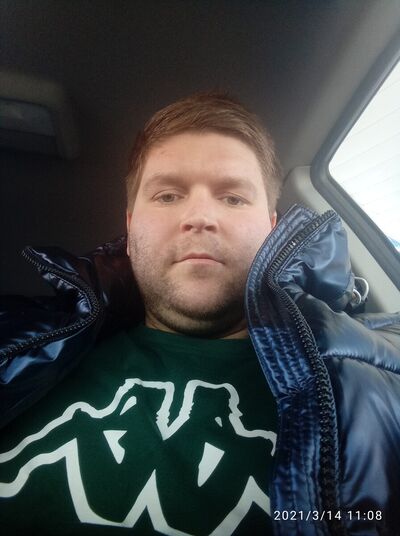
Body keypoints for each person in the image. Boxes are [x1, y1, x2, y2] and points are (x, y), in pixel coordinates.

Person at [0, 93, 399, 536]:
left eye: (233, 198)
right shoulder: (19, 346)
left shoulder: (377, 382)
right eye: (168, 195)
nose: (200, 217)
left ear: (272, 228)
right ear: (130, 227)